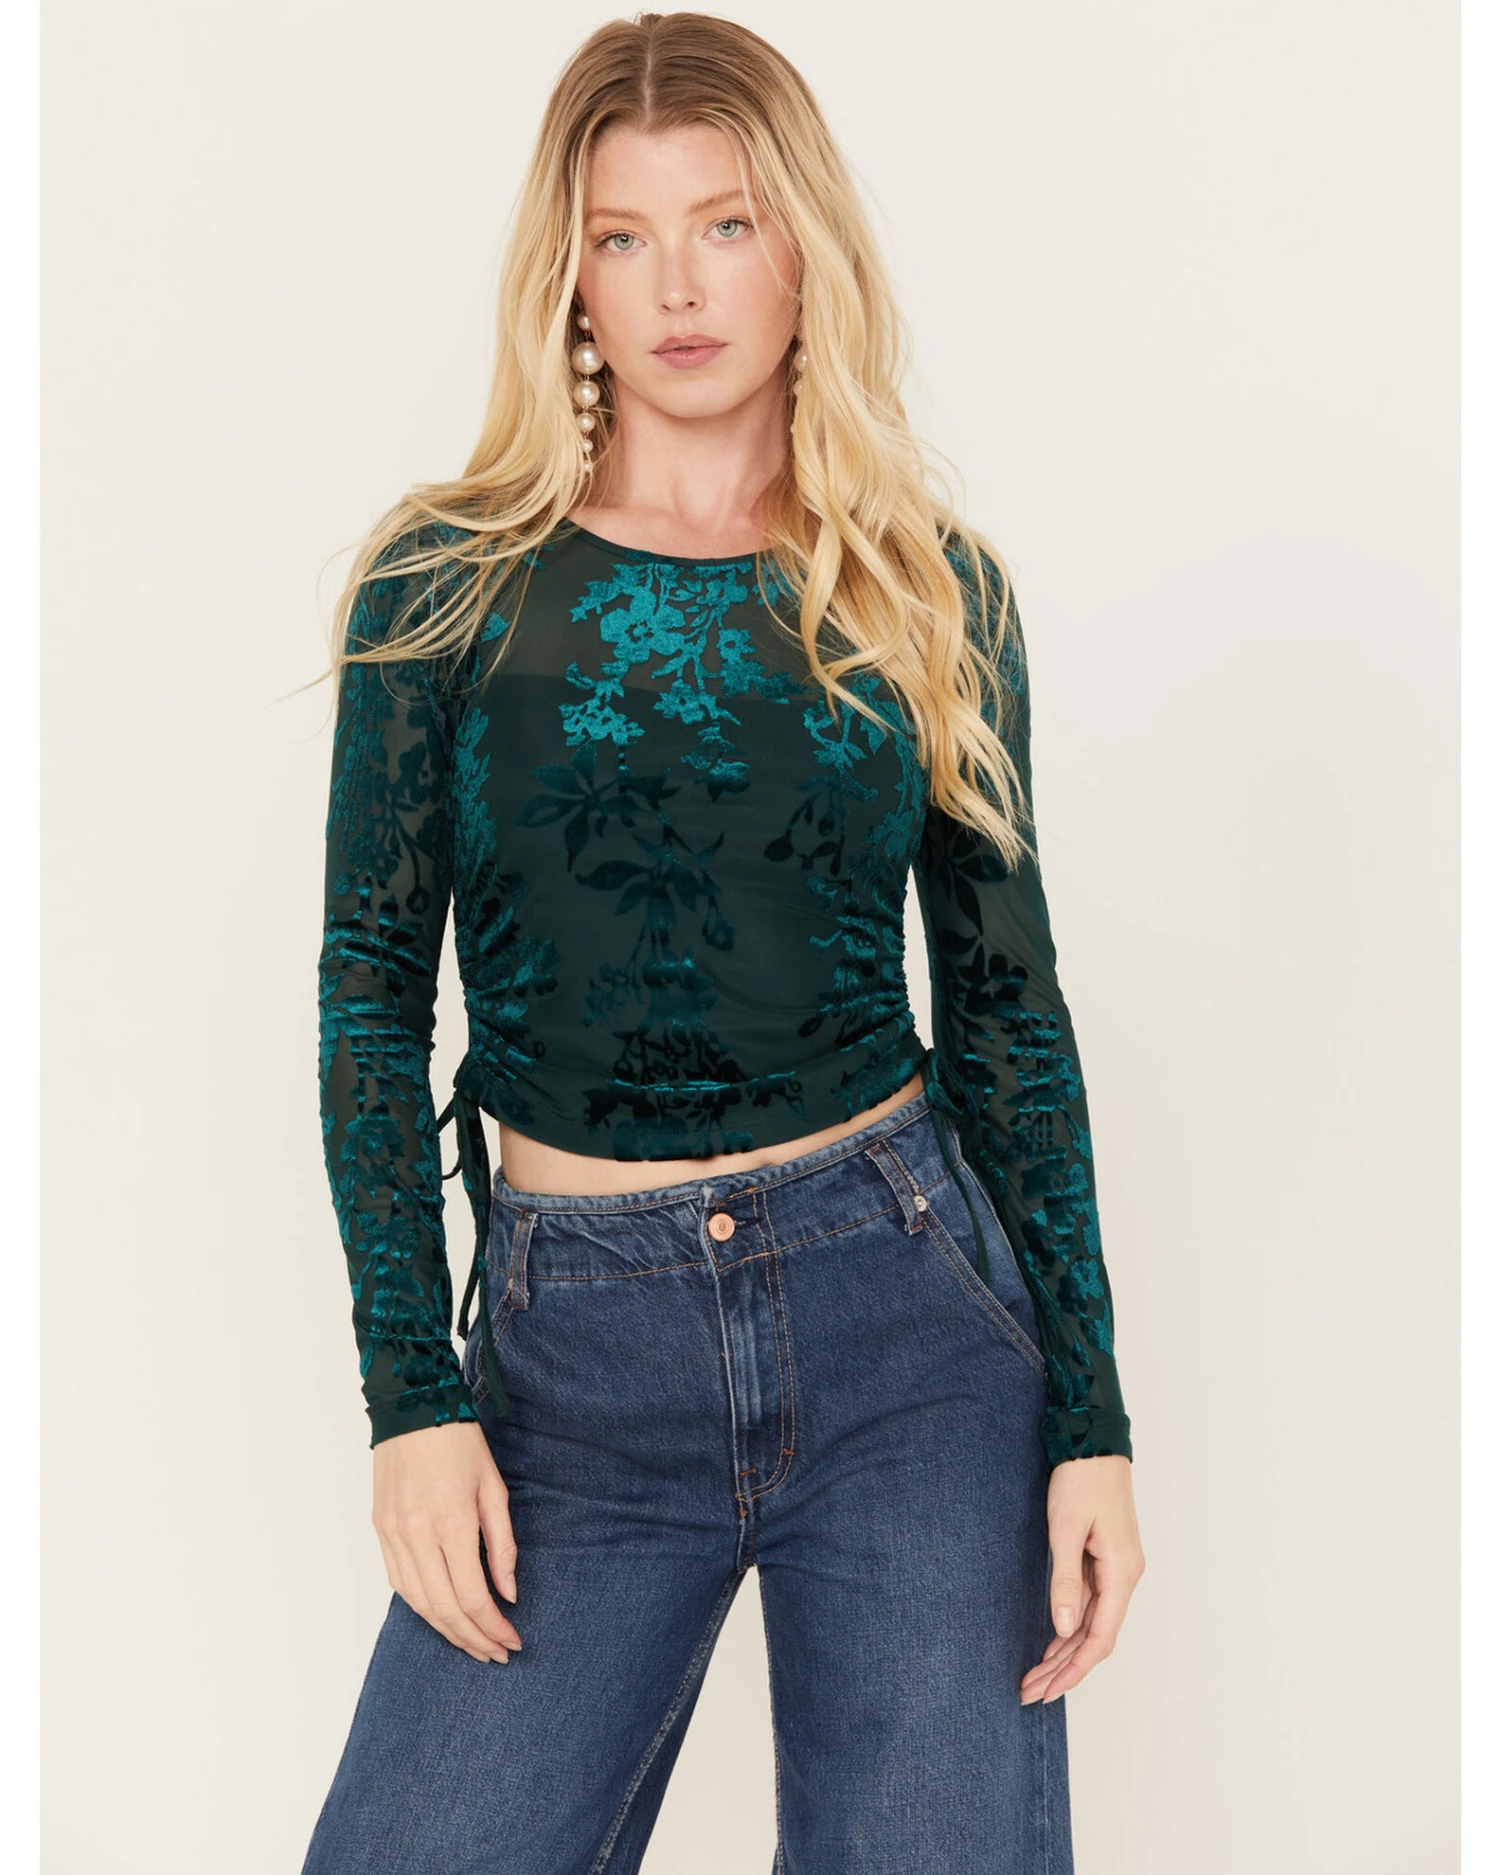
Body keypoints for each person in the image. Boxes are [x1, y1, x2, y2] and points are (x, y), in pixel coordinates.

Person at [302, 12, 1144, 1872]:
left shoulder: (929, 589)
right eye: (623, 236)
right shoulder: (447, 585)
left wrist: (1091, 1415)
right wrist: (411, 1398)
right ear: (569, 275)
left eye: (727, 225)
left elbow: (1007, 1010)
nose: (676, 287)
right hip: (573, 1369)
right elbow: (370, 993)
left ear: (803, 250)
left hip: (907, 1329)